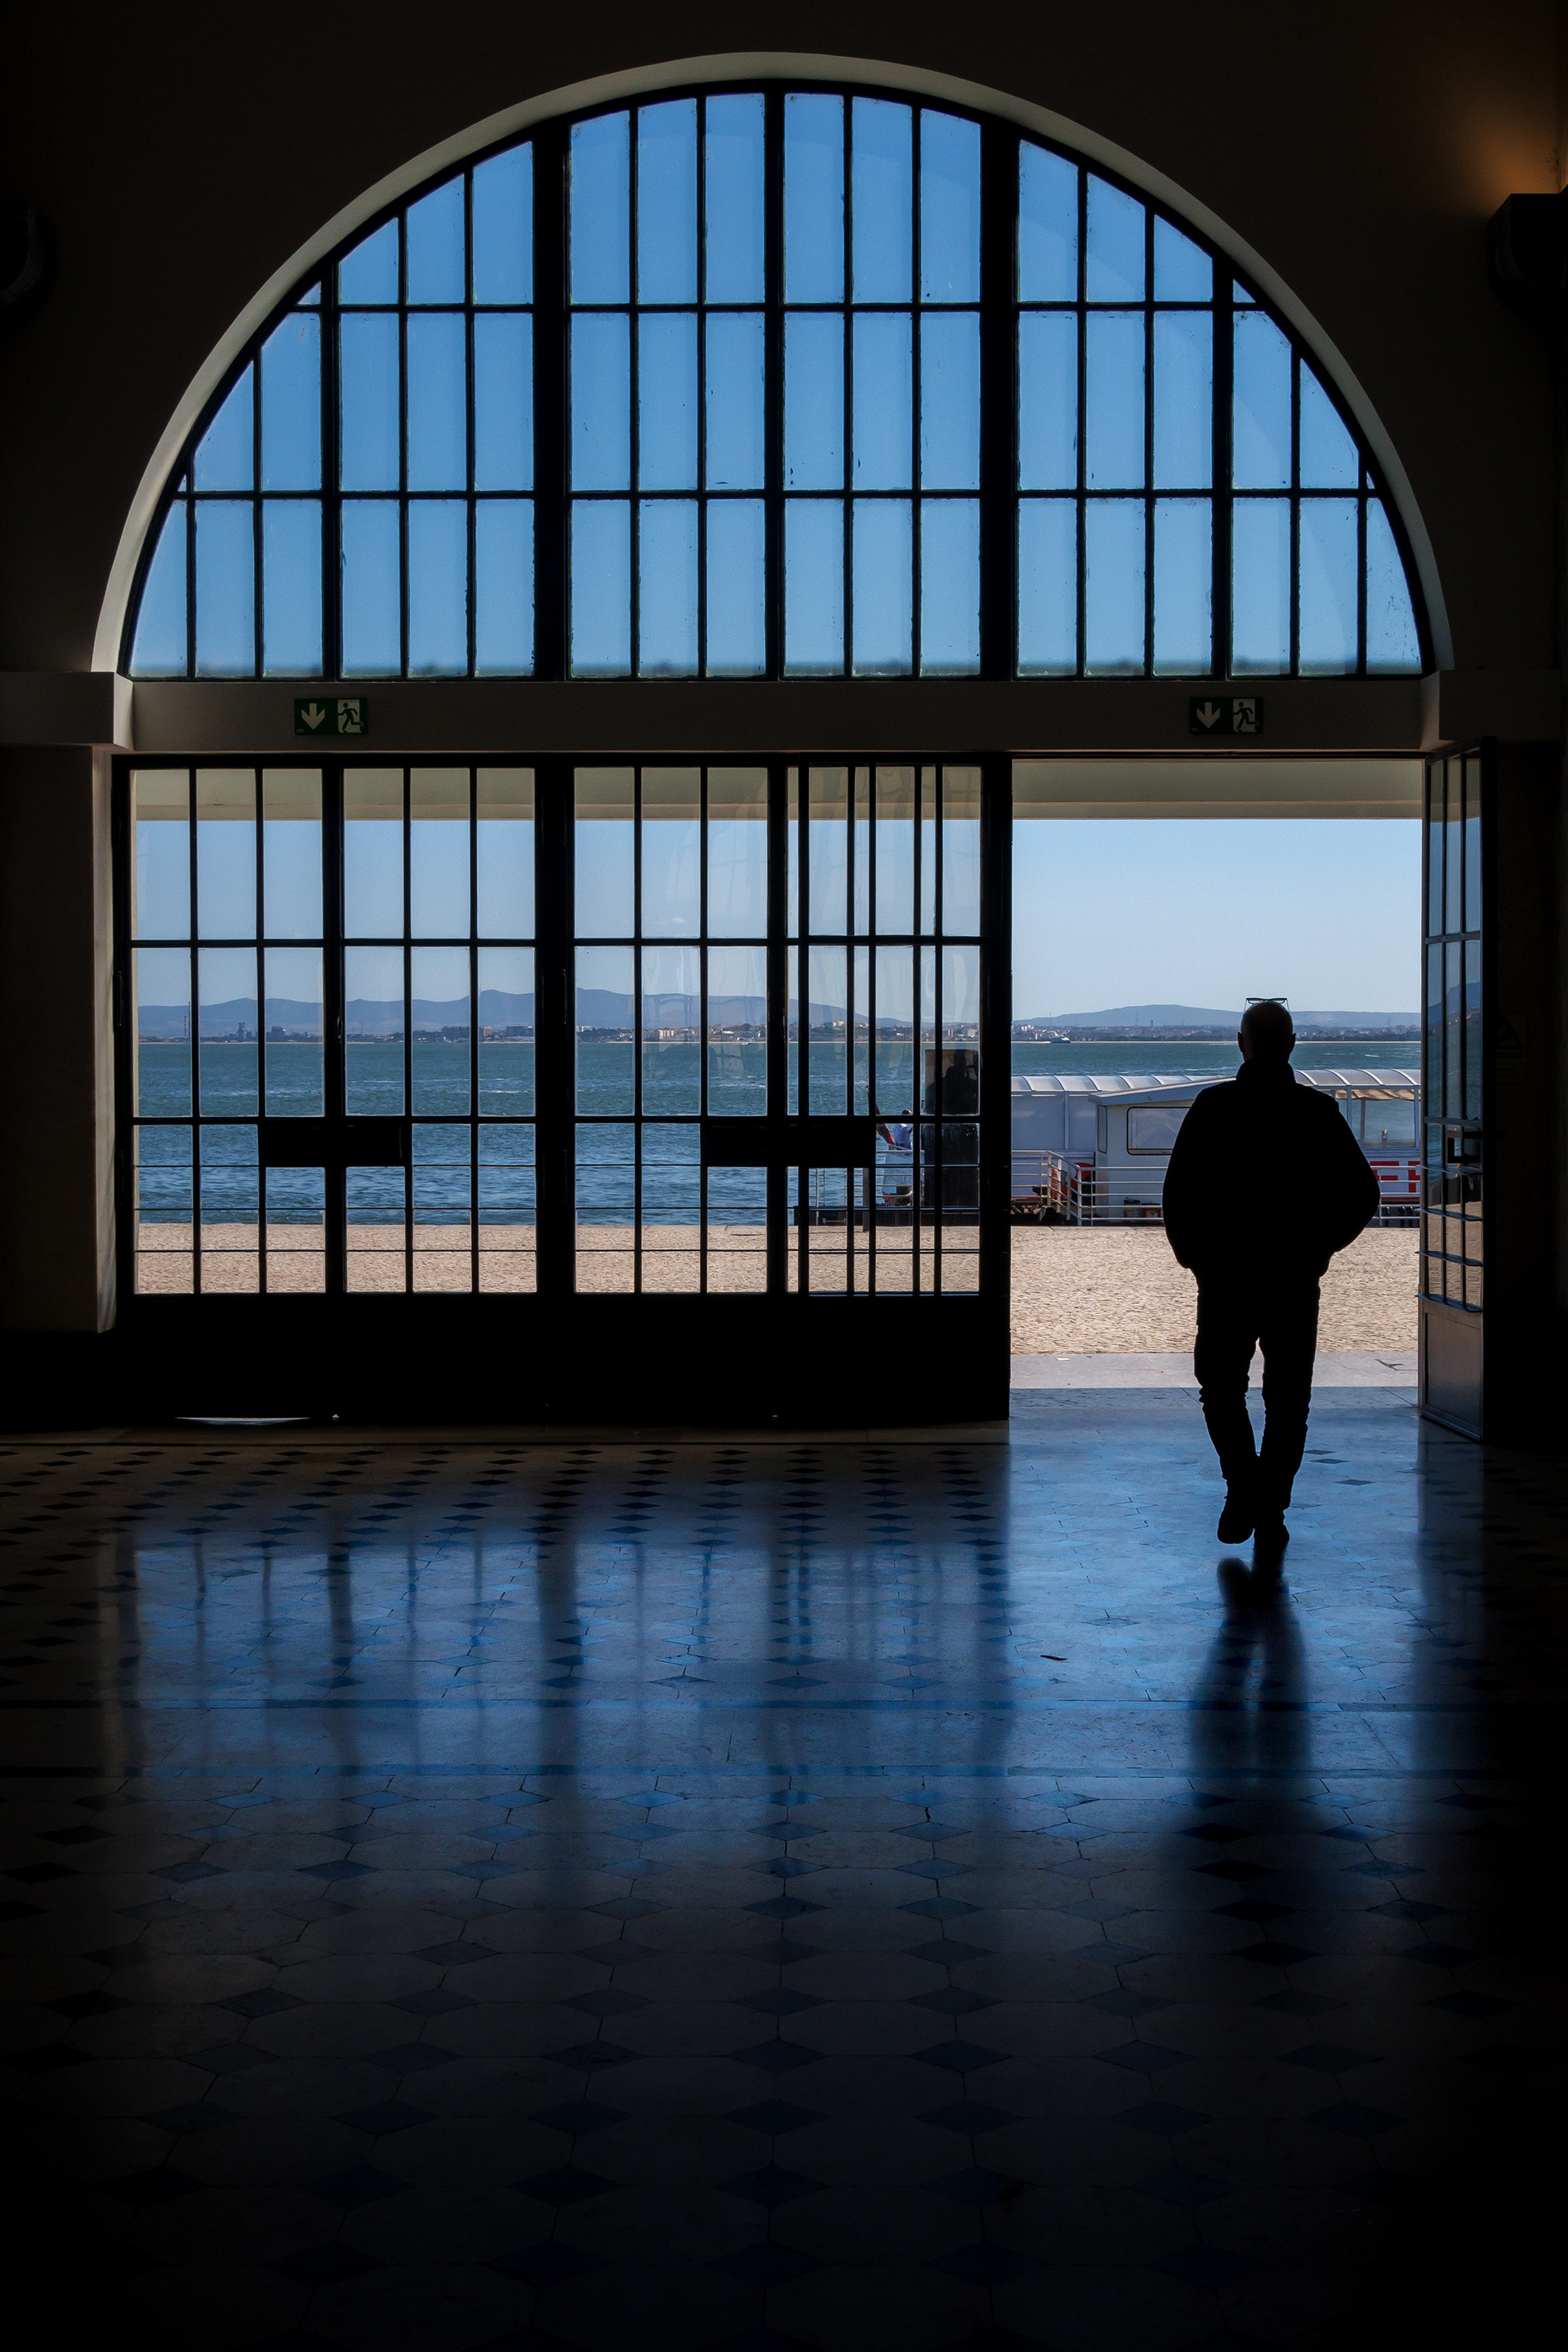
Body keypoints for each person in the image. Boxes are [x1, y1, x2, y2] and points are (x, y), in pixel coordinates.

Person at [1161, 1000, 1380, 1552]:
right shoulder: (1317, 1112)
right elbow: (1363, 1194)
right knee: (1288, 1402)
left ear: (1242, 1044)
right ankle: (1270, 1504)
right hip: (1292, 1277)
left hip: (1226, 1276)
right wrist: (1321, 1247)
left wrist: (1195, 1257)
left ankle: (1244, 1491)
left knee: (1220, 1389)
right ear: (1291, 1043)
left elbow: (1177, 1192)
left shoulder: (1212, 1107)